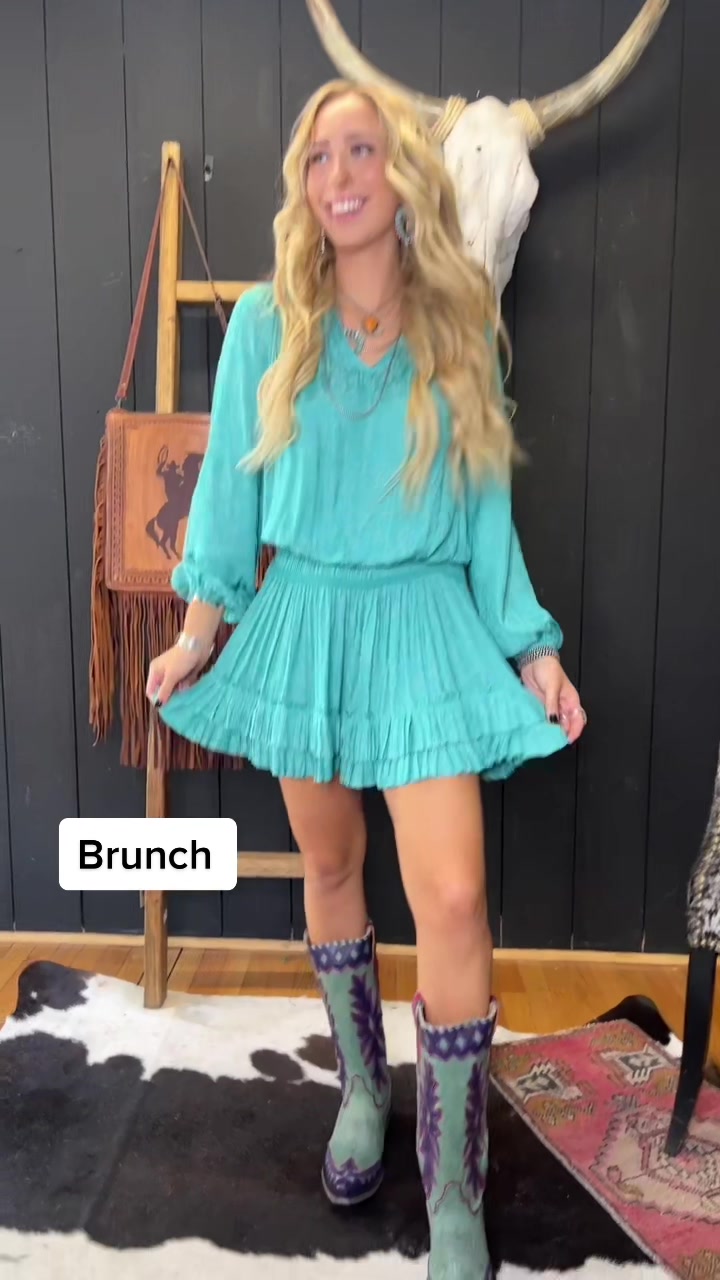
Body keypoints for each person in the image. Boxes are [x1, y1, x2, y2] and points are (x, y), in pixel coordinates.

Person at [146, 78, 587, 1280]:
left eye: (362, 150)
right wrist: (197, 630)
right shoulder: (264, 326)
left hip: (426, 620)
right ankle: (358, 1089)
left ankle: (453, 1183)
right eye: (319, 155)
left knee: (454, 896)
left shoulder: (460, 327)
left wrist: (531, 646)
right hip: (308, 616)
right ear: (305, 185)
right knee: (332, 864)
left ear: (402, 181)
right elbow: (228, 500)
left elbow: (486, 510)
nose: (338, 174)